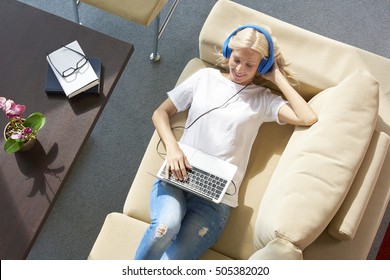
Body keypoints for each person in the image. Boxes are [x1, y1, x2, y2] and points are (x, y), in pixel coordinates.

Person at [134, 24, 318, 260]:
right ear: (229, 52)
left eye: (250, 65)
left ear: (261, 66)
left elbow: (307, 117)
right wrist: (173, 148)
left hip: (216, 199)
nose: (239, 69)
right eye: (237, 59)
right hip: (179, 174)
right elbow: (160, 113)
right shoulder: (204, 77)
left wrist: (276, 76)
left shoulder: (263, 100)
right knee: (165, 228)